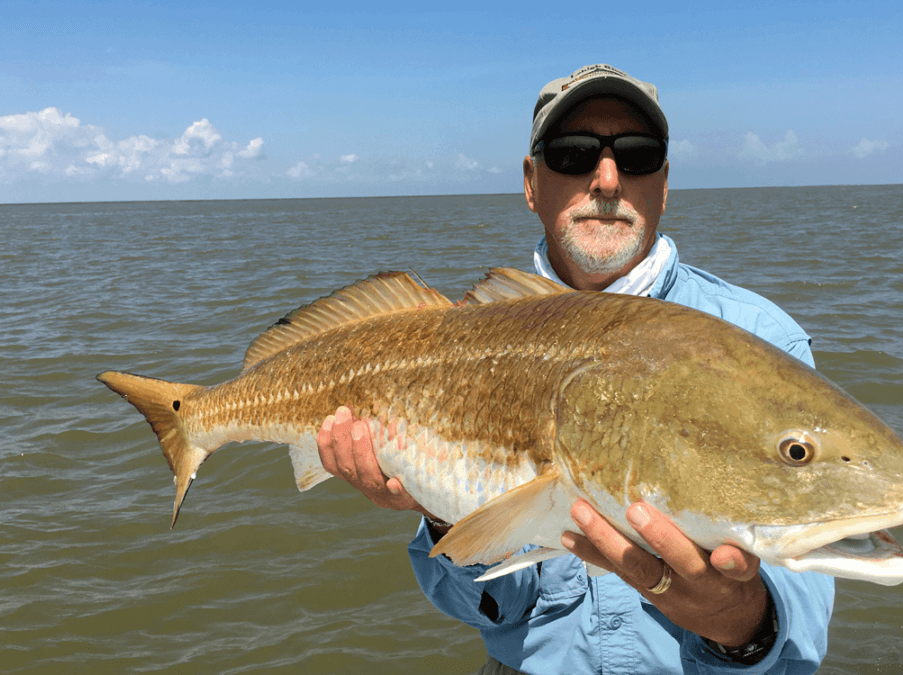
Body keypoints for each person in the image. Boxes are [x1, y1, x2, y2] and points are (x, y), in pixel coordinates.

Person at [317, 64, 834, 674]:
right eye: (572, 153)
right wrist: (440, 506)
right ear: (532, 183)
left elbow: (799, 631)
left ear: (664, 184)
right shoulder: (466, 341)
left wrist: (740, 620)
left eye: (638, 156)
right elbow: (491, 611)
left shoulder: (761, 337)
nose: (607, 179)